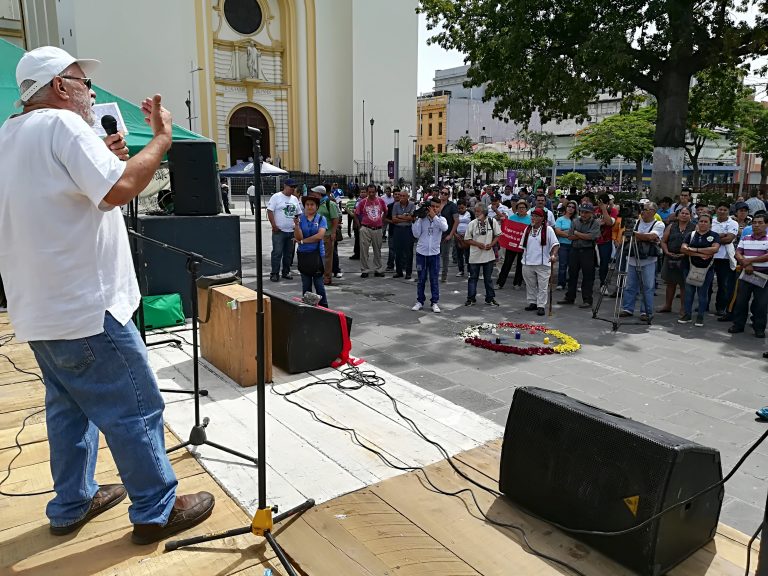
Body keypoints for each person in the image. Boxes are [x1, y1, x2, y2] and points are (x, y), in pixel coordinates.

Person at [0, 46, 213, 544]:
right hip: (88, 309)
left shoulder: (8, 136)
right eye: (83, 82)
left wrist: (107, 160)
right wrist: (161, 139)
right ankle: (156, 508)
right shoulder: (62, 125)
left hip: (38, 311)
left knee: (68, 411)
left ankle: (72, 502)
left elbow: (63, 197)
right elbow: (118, 190)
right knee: (135, 408)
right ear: (59, 86)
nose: (91, 93)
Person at [620, 202, 664, 322]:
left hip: (648, 260)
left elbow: (651, 237)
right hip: (632, 258)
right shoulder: (635, 222)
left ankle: (646, 311)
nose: (643, 211)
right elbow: (626, 236)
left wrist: (634, 234)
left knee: (648, 287)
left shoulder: (658, 224)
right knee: (630, 285)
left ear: (653, 212)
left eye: (646, 209)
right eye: (642, 209)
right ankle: (627, 308)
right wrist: (640, 236)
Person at [729, 213, 768, 338]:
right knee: (741, 301)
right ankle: (738, 325)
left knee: (761, 304)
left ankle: (759, 328)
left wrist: (749, 261)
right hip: (746, 273)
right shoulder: (746, 238)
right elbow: (737, 253)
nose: (756, 225)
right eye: (754, 222)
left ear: (766, 225)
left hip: (763, 275)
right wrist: (746, 264)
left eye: (760, 223)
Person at [680, 213, 721, 326]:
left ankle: (700, 316)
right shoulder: (691, 235)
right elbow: (683, 249)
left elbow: (714, 249)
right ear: (697, 222)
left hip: (706, 269)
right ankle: (687, 315)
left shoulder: (714, 235)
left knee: (703, 293)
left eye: (706, 222)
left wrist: (694, 250)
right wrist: (700, 254)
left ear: (710, 224)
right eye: (701, 221)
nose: (703, 223)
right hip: (689, 267)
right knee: (689, 292)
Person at [558, 204, 601, 308]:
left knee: (588, 276)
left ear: (591, 213)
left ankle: (587, 299)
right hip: (575, 250)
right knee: (572, 274)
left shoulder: (595, 223)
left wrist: (577, 233)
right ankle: (569, 297)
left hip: (588, 251)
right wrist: (583, 235)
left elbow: (592, 236)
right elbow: (570, 236)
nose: (584, 214)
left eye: (586, 212)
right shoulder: (575, 221)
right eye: (582, 212)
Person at [521, 207, 560, 316]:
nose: (533, 218)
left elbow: (555, 244)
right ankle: (532, 302)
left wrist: (553, 255)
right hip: (528, 262)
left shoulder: (548, 230)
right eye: (532, 216)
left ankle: (541, 305)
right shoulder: (527, 229)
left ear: (542, 218)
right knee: (530, 284)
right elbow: (523, 245)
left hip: (543, 263)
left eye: (536, 216)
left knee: (543, 286)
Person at [411, 198, 448, 312]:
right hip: (421, 253)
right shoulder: (422, 219)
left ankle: (434, 302)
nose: (435, 209)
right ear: (428, 207)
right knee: (421, 279)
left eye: (437, 207)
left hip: (434, 254)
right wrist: (416, 220)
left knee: (434, 279)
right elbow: (416, 234)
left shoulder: (441, 219)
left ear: (440, 208)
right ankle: (420, 301)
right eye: (433, 206)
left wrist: (434, 216)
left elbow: (445, 228)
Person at [659, 206, 695, 315]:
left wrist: (686, 253)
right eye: (682, 213)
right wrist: (666, 252)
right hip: (670, 257)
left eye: (687, 213)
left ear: (690, 216)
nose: (684, 215)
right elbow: (663, 241)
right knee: (670, 283)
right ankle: (667, 305)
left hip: (686, 258)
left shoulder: (694, 227)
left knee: (684, 284)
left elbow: (696, 243)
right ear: (678, 215)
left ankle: (683, 308)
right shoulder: (671, 226)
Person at [294, 194, 328, 307]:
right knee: (306, 285)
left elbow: (319, 236)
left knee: (319, 284)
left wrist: (303, 241)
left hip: (317, 255)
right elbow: (298, 237)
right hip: (304, 255)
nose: (309, 207)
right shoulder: (300, 219)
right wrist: (297, 226)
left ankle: (324, 307)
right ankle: (307, 308)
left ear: (317, 206)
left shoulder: (321, 219)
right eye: (307, 204)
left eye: (312, 204)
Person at [464, 204, 500, 306]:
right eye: (475, 211)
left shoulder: (492, 221)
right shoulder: (472, 223)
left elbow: (498, 235)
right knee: (473, 278)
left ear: (484, 212)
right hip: (475, 256)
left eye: (478, 211)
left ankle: (490, 298)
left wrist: (491, 244)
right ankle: (471, 298)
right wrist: (477, 244)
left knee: (488, 279)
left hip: (488, 255)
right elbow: (467, 239)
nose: (476, 213)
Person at [267, 178, 301, 282]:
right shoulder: (276, 197)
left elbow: (298, 213)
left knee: (288, 254)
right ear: (285, 186)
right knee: (277, 253)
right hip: (279, 231)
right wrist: (274, 225)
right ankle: (274, 273)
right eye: (291, 187)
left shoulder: (294, 199)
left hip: (291, 231)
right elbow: (270, 211)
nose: (293, 189)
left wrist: (297, 225)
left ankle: (286, 272)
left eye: (294, 187)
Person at [710, 202, 739, 316]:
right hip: (709, 256)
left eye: (725, 210)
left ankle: (721, 307)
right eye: (720, 209)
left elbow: (729, 239)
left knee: (723, 284)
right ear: (716, 210)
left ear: (728, 211)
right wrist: (721, 235)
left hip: (725, 258)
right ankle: (704, 305)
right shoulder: (711, 221)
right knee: (707, 283)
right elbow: (704, 236)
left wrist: (712, 238)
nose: (722, 211)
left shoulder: (733, 223)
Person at [497, 199, 531, 289]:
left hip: (523, 245)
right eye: (519, 208)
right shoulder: (512, 218)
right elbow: (507, 229)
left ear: (526, 209)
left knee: (520, 264)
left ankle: (517, 283)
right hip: (511, 244)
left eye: (523, 208)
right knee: (507, 263)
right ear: (516, 209)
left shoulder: (530, 219)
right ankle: (500, 283)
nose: (521, 209)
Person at [354, 184, 387, 278]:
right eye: (369, 192)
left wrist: (382, 221)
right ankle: (365, 270)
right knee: (364, 250)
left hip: (377, 229)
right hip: (366, 228)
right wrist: (360, 226)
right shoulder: (363, 202)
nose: (371, 194)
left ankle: (378, 269)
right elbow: (356, 214)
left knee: (377, 250)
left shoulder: (380, 201)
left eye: (373, 192)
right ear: (367, 192)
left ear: (376, 192)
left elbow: (386, 211)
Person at [312, 185, 340, 286]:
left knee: (327, 257)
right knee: (317, 256)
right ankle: (319, 275)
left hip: (327, 235)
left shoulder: (330, 204)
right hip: (316, 235)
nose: (312, 195)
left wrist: (333, 232)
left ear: (319, 194)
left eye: (314, 193)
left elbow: (335, 219)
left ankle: (327, 277)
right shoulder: (317, 204)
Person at [391, 190, 416, 279]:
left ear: (407, 197)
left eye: (403, 196)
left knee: (408, 252)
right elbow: (394, 219)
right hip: (398, 230)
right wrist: (405, 218)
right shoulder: (396, 205)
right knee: (398, 251)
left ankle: (408, 272)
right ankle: (399, 271)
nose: (401, 197)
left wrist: (399, 216)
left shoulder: (412, 205)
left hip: (408, 230)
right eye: (400, 196)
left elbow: (412, 218)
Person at [596, 193, 618, 287]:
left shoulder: (613, 211)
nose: (600, 205)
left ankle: (603, 284)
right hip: (593, 240)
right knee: (590, 264)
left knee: (604, 264)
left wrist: (604, 209)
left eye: (603, 203)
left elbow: (609, 223)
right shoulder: (595, 210)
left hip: (606, 241)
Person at [438, 187, 459, 282]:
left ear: (448, 196)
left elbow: (456, 221)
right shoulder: (436, 204)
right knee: (434, 254)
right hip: (435, 234)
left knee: (445, 256)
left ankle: (444, 275)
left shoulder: (452, 206)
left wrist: (451, 234)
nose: (443, 195)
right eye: (442, 193)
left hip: (446, 234)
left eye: (445, 194)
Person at [554, 201, 577, 290]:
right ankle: (561, 283)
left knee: (573, 266)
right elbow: (558, 232)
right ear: (566, 207)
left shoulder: (577, 220)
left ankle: (571, 283)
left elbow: (579, 232)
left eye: (573, 207)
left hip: (574, 245)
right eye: (569, 206)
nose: (570, 208)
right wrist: (570, 234)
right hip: (563, 244)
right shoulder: (560, 219)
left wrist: (565, 232)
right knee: (562, 264)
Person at [455, 200, 473, 277]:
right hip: (458, 236)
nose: (460, 210)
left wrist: (470, 234)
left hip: (467, 236)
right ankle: (461, 270)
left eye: (462, 208)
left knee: (468, 254)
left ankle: (469, 270)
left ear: (466, 206)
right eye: (459, 208)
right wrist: (455, 234)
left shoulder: (470, 213)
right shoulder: (455, 214)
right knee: (459, 254)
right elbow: (452, 225)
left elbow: (474, 223)